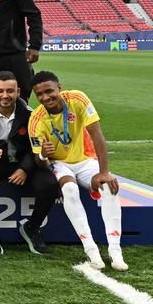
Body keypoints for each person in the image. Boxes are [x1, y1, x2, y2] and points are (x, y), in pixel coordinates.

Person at [29, 72, 127, 270]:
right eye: (40, 94)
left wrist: (104, 171)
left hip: (84, 160)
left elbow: (97, 135)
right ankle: (91, 250)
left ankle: (115, 251)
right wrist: (43, 156)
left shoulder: (78, 99)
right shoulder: (36, 119)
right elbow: (39, 161)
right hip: (59, 164)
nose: (45, 97)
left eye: (49, 91)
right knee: (70, 191)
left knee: (109, 187)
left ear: (59, 88)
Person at [0, 71, 57, 256]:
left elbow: (34, 148)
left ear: (18, 92)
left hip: (22, 162)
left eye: (10, 91)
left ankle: (32, 228)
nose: (5, 96)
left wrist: (24, 169)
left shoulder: (29, 114)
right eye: (0, 91)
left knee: (48, 183)